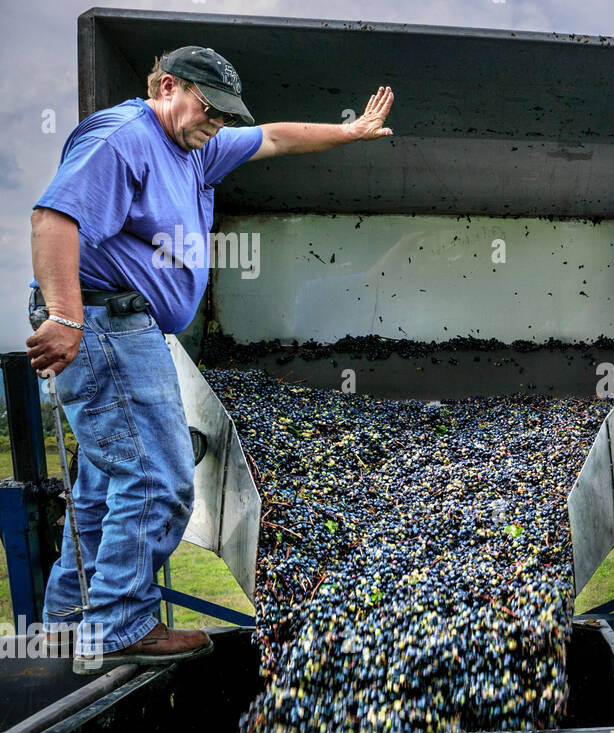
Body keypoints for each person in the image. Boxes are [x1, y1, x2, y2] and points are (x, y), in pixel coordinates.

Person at [26, 45, 394, 674]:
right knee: (159, 481)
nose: (217, 122)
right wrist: (65, 317)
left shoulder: (197, 144)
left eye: (225, 114)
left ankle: (68, 623)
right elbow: (52, 218)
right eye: (208, 107)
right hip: (106, 324)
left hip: (126, 327)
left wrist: (349, 131)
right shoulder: (125, 138)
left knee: (104, 485)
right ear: (168, 86)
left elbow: (275, 137)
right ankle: (118, 626)